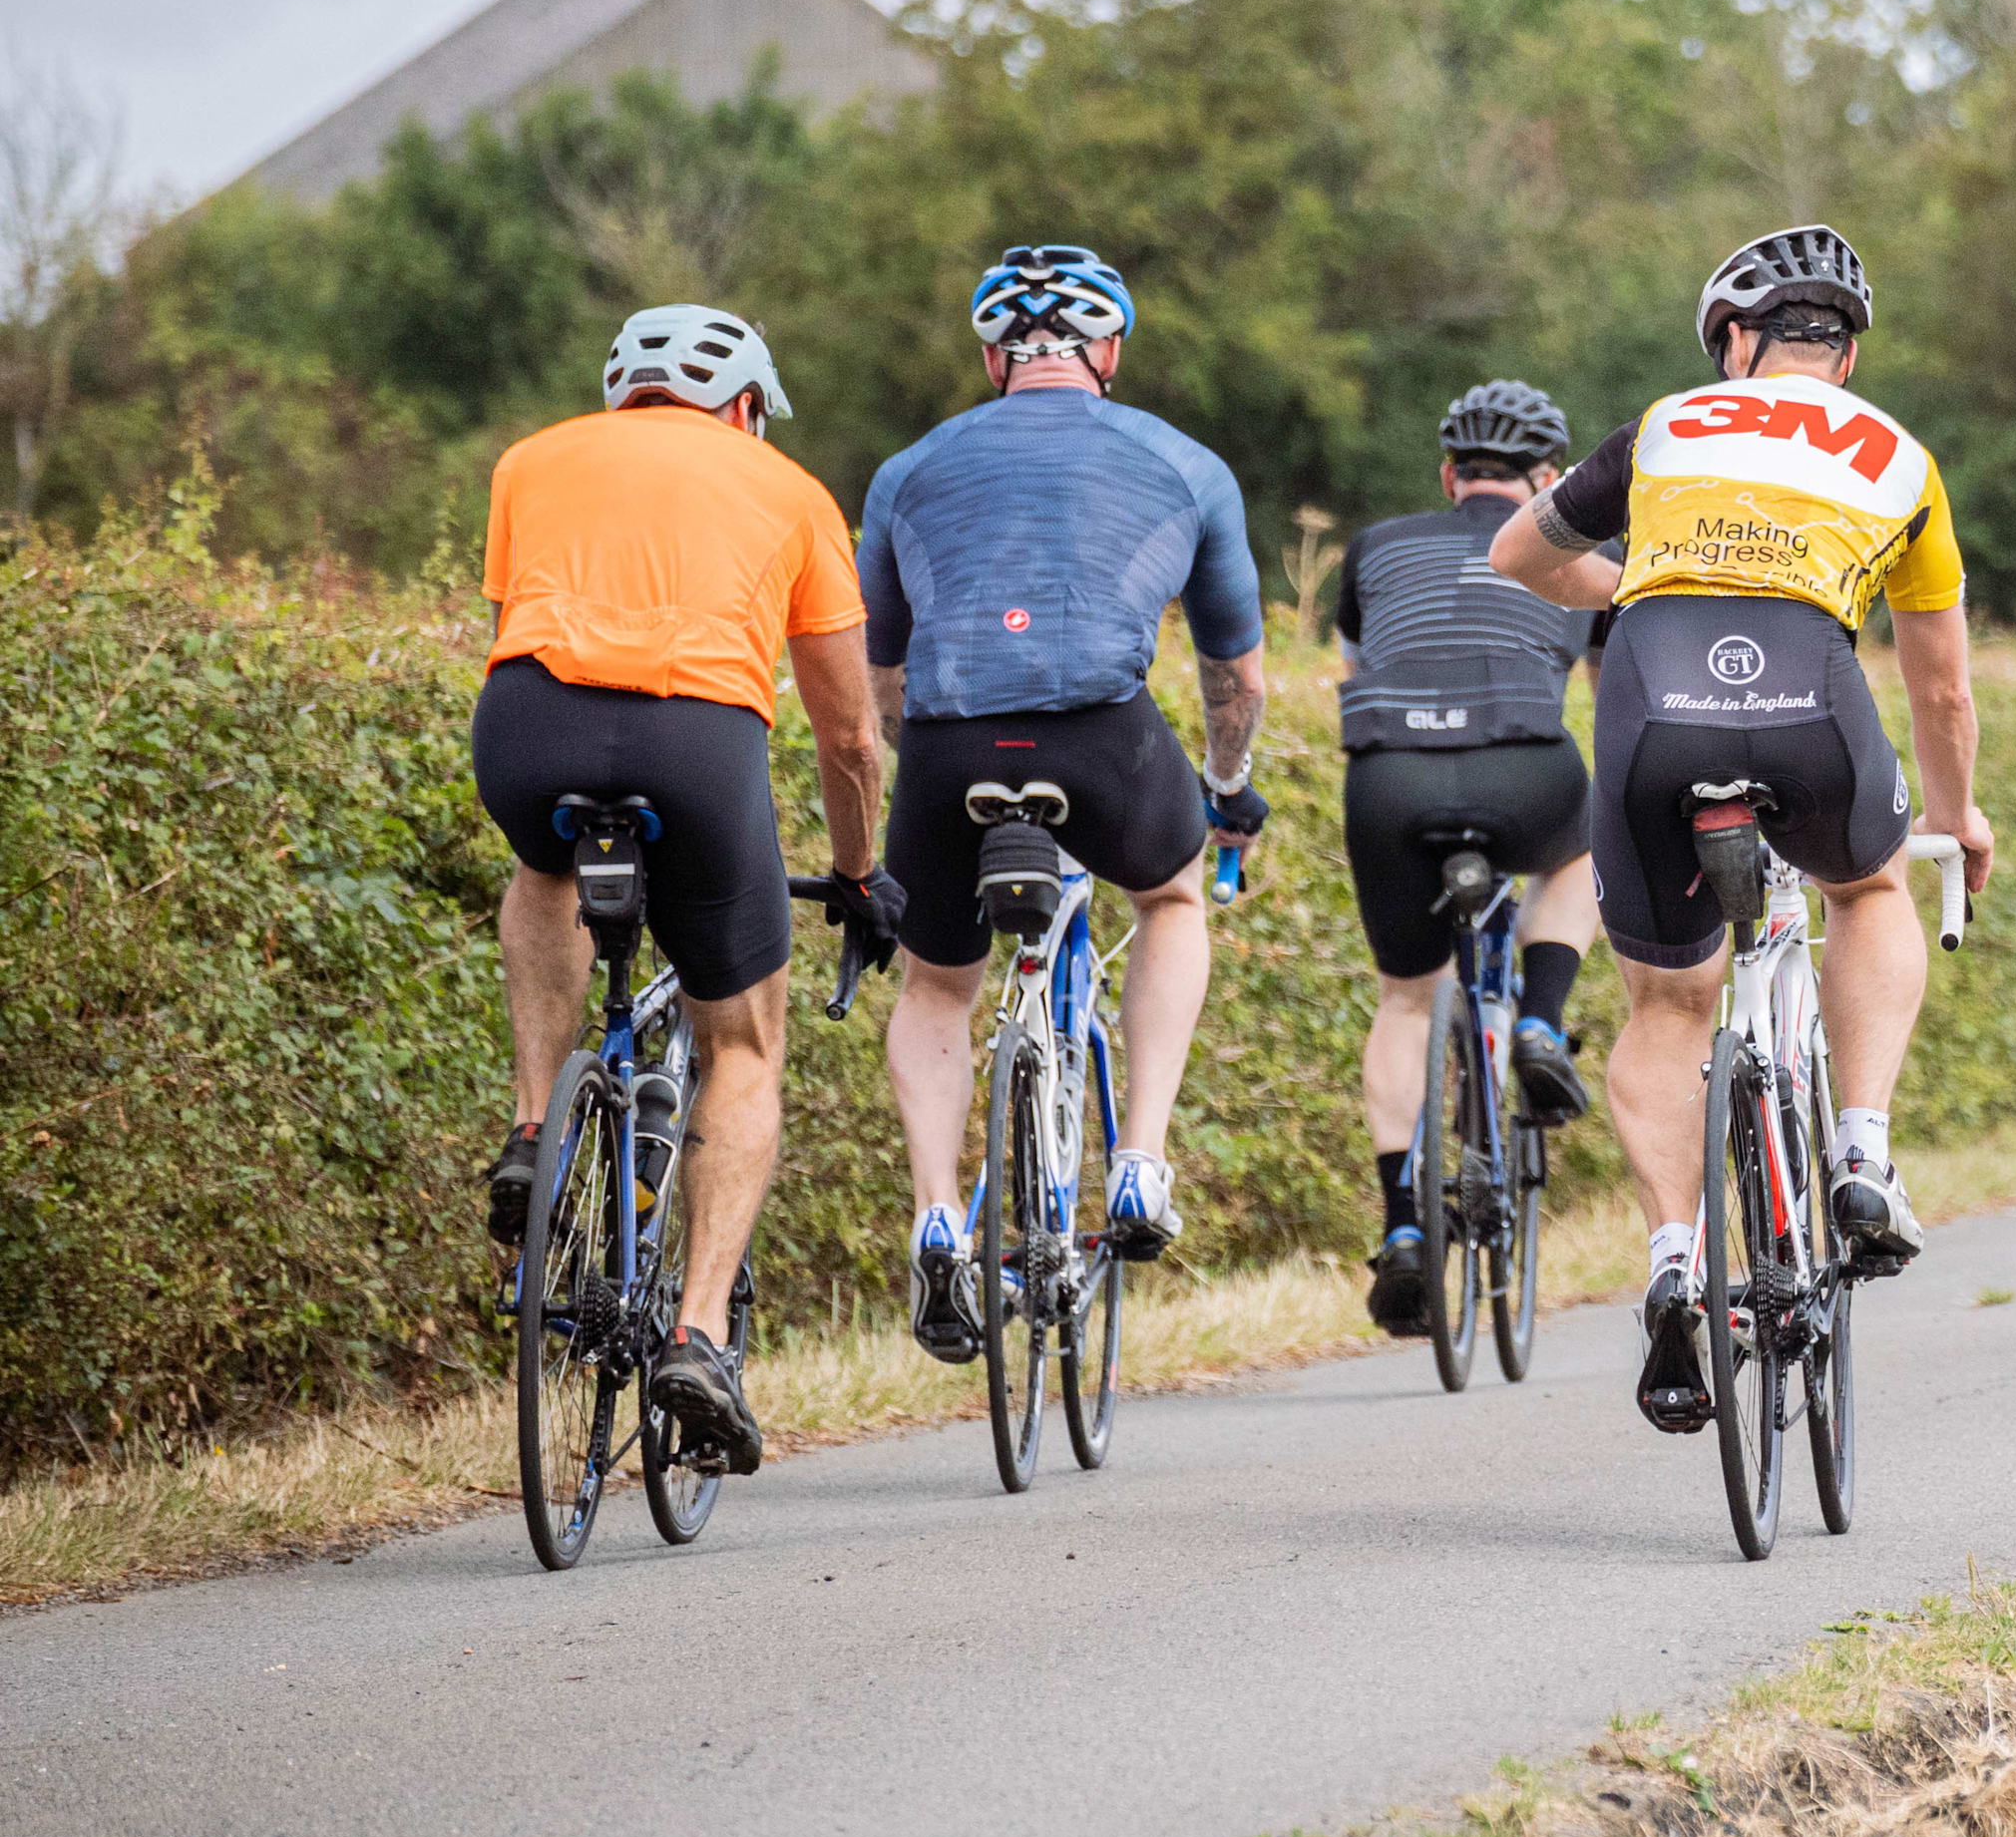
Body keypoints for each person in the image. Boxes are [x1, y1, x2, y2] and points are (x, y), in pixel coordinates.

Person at [1485, 223, 1995, 1435]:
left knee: (1668, 1005)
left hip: (1653, 695)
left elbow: (1519, 554)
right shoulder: (1903, 459)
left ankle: (1674, 1258)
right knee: (1868, 892)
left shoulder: (1665, 425)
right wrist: (1954, 813)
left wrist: (1641, 580)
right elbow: (1942, 686)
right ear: (1850, 351)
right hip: (1809, 694)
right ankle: (1861, 1153)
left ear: (1732, 340)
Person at [475, 304, 900, 1474]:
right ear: (748, 407)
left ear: (621, 395)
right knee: (743, 1043)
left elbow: (519, 622)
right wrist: (859, 874)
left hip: (526, 725)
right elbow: (850, 735)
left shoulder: (530, 460)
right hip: (696, 746)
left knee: (544, 863)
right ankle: (699, 1335)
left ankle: (531, 1128)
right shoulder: (796, 491)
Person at [857, 245, 1271, 1362]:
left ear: (994, 357)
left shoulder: (908, 468)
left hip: (950, 749)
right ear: (1111, 350)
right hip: (1104, 741)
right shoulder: (1186, 462)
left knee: (942, 981)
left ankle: (939, 1214)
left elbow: (880, 675)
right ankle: (1139, 1159)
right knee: (1174, 897)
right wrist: (1226, 789)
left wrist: (925, 758)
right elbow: (1236, 677)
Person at [1334, 380, 1606, 1337]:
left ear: (1450, 476)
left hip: (1389, 782)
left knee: (1407, 997)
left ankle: (1405, 1229)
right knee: (1585, 850)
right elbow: (1615, 704)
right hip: (1521, 769)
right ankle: (1538, 1022)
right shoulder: (1582, 551)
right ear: (1551, 479)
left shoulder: (1375, 547)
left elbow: (1356, 668)